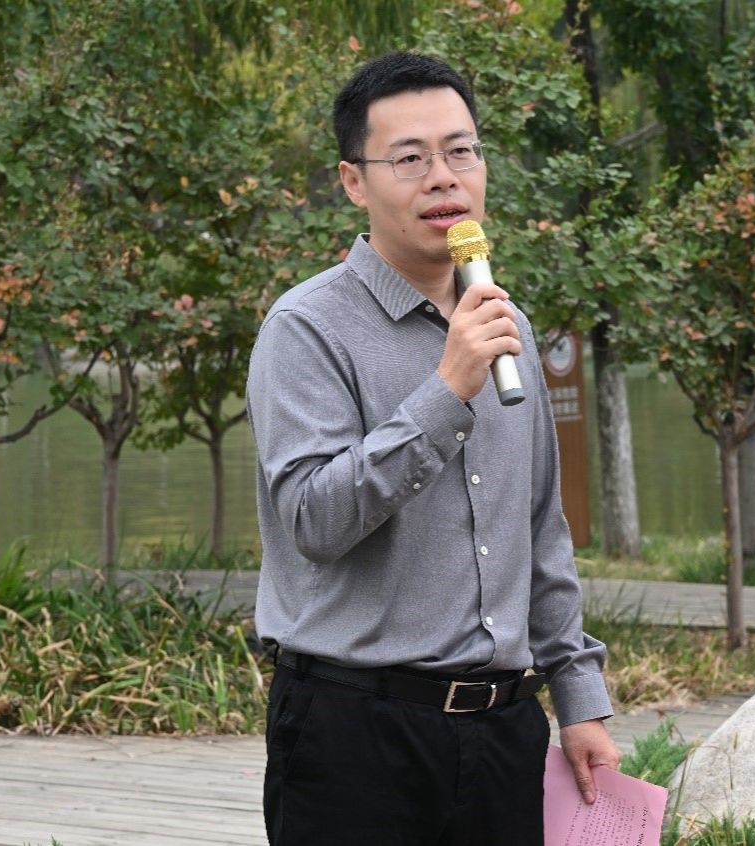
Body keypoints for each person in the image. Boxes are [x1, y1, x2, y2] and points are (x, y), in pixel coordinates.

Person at [246, 51, 620, 845]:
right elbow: (313, 521)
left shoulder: (506, 327)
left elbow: (539, 529)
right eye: (410, 159)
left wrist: (578, 697)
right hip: (356, 733)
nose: (443, 178)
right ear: (354, 181)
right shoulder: (306, 328)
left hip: (505, 733)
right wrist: (446, 390)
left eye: (461, 151)